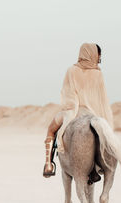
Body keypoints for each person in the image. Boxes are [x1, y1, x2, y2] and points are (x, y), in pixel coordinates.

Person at [43, 43, 114, 179]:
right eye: (99, 54)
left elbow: (67, 93)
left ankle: (48, 164)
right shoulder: (98, 74)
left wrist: (72, 106)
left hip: (72, 111)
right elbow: (102, 99)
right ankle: (101, 165)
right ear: (92, 54)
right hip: (94, 112)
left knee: (51, 130)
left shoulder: (71, 70)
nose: (99, 57)